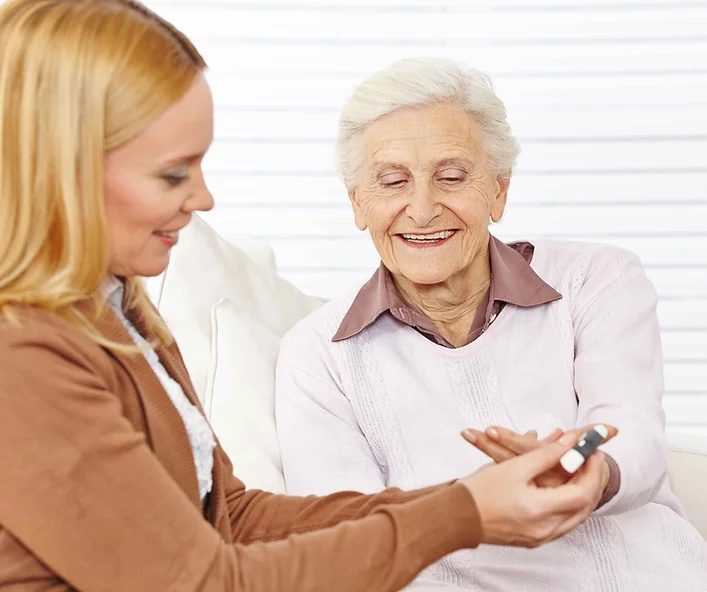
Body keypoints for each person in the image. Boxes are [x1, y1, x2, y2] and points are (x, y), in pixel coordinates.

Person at [0, 2, 612, 591]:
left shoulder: (119, 309)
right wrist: (463, 515)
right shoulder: (21, 357)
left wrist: (467, 500)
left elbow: (230, 519)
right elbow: (203, 584)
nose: (204, 197)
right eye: (173, 173)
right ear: (63, 171)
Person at [275, 57, 707, 591]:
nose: (422, 210)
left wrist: (586, 467)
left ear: (499, 190)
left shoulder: (595, 280)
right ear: (358, 203)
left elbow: (629, 431)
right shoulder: (318, 355)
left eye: (451, 176)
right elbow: (352, 543)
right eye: (393, 182)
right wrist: (470, 509)